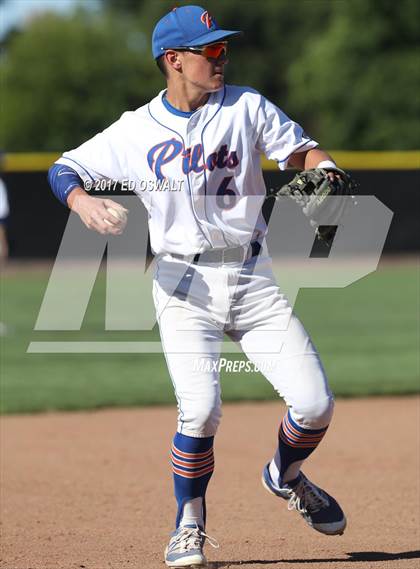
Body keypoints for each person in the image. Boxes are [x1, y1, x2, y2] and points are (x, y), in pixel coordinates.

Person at [48, 6, 347, 567]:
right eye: (210, 50)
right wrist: (82, 201)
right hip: (182, 283)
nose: (221, 58)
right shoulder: (134, 129)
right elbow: (64, 168)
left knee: (315, 404)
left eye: (223, 48)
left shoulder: (246, 106)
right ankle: (190, 521)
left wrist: (324, 166)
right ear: (174, 60)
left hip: (254, 277)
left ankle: (285, 476)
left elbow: (300, 150)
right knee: (201, 411)